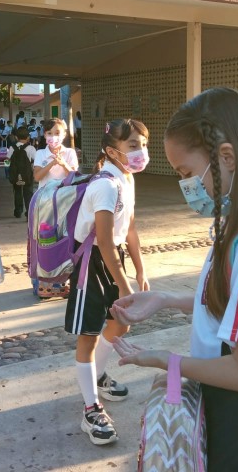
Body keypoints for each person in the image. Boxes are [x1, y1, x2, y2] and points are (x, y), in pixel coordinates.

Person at [109, 88, 238, 470]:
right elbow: (234, 304)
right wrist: (166, 300)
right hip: (234, 405)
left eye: (187, 173)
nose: (186, 186)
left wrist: (168, 362)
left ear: (227, 157)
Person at [65, 118, 151, 446]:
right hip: (91, 261)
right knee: (88, 335)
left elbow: (129, 229)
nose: (141, 151)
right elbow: (101, 240)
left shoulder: (126, 180)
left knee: (121, 324)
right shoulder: (105, 185)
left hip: (113, 258)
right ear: (113, 151)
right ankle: (91, 409)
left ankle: (97, 375)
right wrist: (125, 285)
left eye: (143, 144)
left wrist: (139, 270)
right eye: (133, 146)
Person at [33, 117, 79, 188]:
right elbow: (37, 177)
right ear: (45, 135)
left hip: (64, 195)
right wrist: (52, 163)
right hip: (45, 197)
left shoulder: (70, 152)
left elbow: (74, 177)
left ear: (64, 135)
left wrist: (64, 164)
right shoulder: (40, 153)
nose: (53, 137)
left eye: (57, 133)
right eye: (49, 133)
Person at [6, 126, 36, 218]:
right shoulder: (31, 148)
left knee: (17, 192)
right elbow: (35, 161)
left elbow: (7, 160)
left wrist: (8, 172)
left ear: (16, 137)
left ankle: (18, 211)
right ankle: (29, 212)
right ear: (28, 137)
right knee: (28, 193)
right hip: (27, 174)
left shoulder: (12, 148)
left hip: (15, 174)